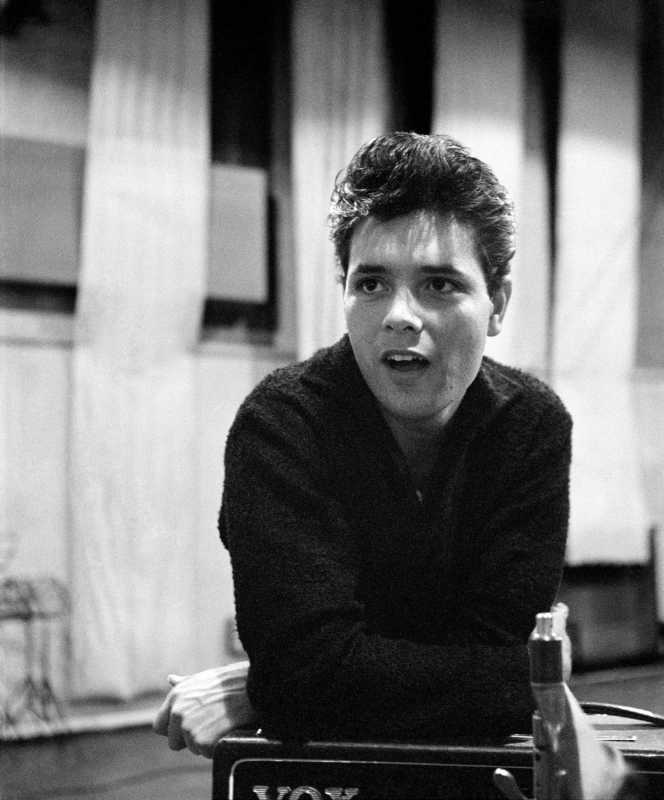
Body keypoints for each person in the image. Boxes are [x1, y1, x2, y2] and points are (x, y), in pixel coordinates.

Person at [154, 132, 572, 758]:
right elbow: (305, 679)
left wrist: (264, 685)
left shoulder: (532, 426)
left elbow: (511, 681)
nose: (399, 315)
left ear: (497, 304)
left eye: (439, 284)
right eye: (371, 283)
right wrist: (287, 680)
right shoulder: (281, 425)